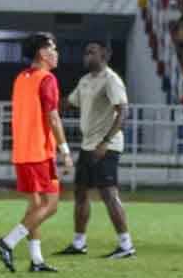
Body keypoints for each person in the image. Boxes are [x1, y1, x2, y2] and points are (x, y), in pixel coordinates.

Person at [0, 32, 73, 273]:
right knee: (52, 204)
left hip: (22, 153)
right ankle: (8, 242)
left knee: (36, 206)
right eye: (53, 48)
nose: (56, 53)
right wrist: (65, 150)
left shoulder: (21, 78)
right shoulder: (46, 79)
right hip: (39, 152)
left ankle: (36, 259)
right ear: (42, 52)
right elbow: (53, 116)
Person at [55, 42, 136, 259]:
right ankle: (79, 243)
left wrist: (106, 141)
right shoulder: (85, 81)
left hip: (106, 146)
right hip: (88, 145)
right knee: (81, 193)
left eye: (91, 52)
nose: (86, 55)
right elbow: (69, 103)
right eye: (86, 51)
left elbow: (123, 112)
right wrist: (49, 99)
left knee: (109, 194)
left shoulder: (111, 79)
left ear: (104, 56)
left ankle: (126, 245)